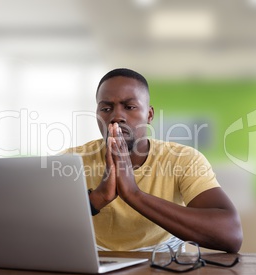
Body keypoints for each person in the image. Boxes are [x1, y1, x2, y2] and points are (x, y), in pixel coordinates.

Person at [64, 68, 243, 253]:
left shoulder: (183, 159)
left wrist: (133, 194)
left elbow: (230, 235)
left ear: (149, 115)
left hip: (163, 258)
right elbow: (42, 224)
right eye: (106, 108)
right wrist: (98, 197)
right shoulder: (71, 160)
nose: (116, 116)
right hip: (93, 258)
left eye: (129, 107)